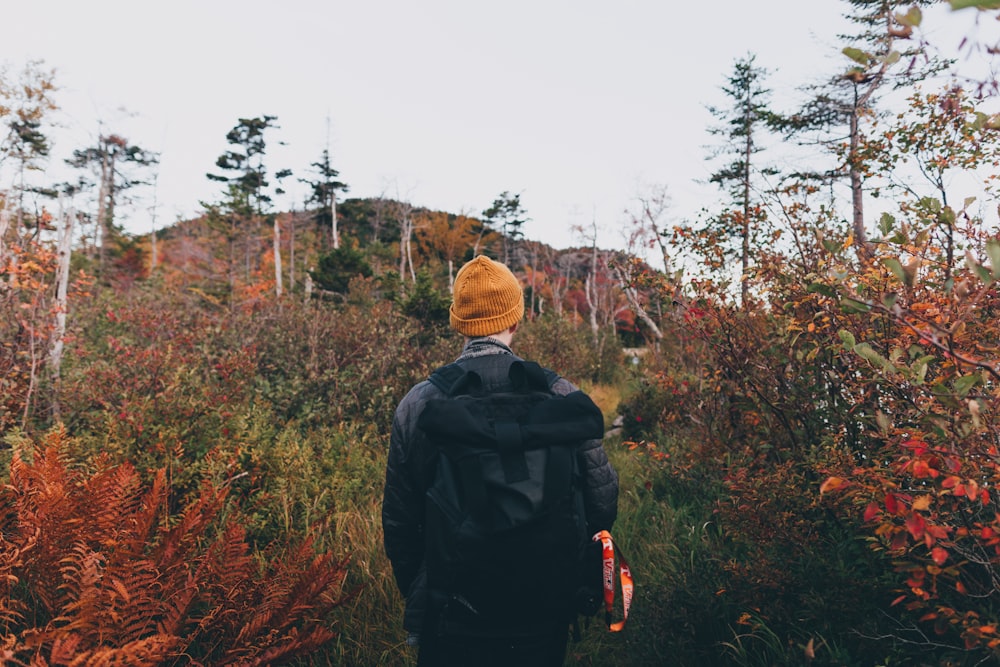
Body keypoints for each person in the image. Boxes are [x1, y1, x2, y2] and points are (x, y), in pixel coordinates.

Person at [382, 255, 619, 667]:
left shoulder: (419, 403)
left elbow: (401, 521)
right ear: (517, 317)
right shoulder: (562, 396)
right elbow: (602, 501)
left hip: (452, 613)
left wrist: (425, 590)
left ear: (458, 320)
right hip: (545, 607)